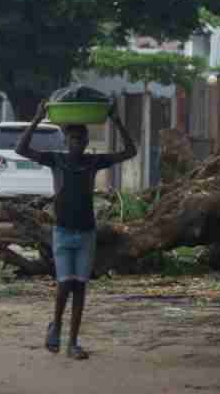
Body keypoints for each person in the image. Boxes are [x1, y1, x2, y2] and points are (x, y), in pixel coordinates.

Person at [16, 100, 137, 360]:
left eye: (81, 138)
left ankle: (73, 342)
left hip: (86, 233)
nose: (77, 142)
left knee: (79, 286)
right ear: (66, 140)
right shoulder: (55, 159)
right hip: (62, 231)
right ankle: (57, 326)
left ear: (86, 141)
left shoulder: (93, 162)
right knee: (64, 284)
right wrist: (37, 118)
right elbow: (21, 148)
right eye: (73, 137)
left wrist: (116, 120)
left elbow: (130, 151)